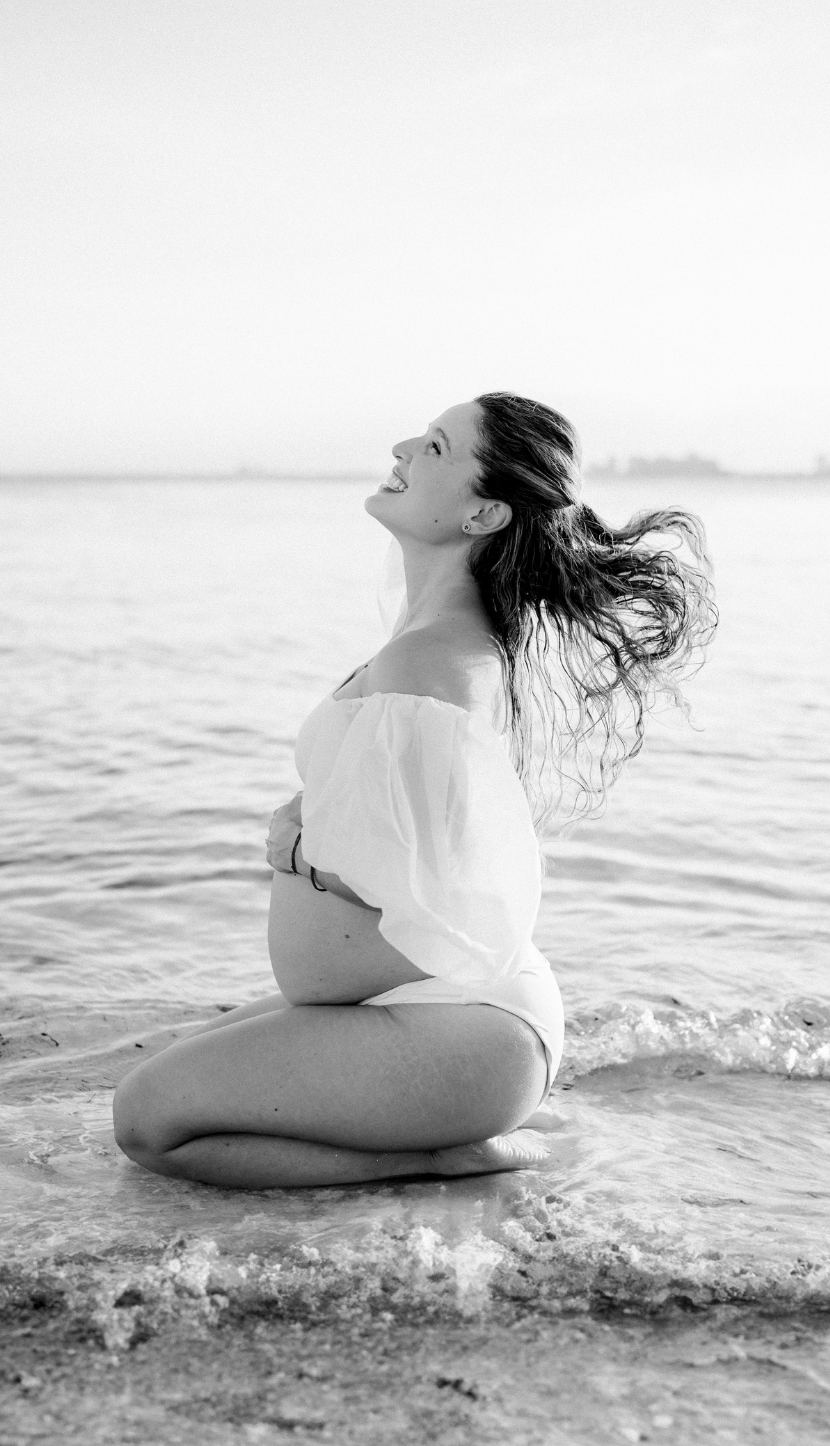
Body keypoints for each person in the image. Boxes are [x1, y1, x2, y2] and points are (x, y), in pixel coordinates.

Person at [112, 393, 715, 1188]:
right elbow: (436, 859)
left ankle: (442, 1157)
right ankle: (437, 1142)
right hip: (442, 1007)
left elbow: (441, 895)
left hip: (466, 1029)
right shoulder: (431, 647)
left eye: (434, 448)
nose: (401, 447)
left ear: (484, 514)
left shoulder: (430, 665)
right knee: (177, 1069)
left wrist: (300, 853)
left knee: (148, 1123)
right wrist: (307, 848)